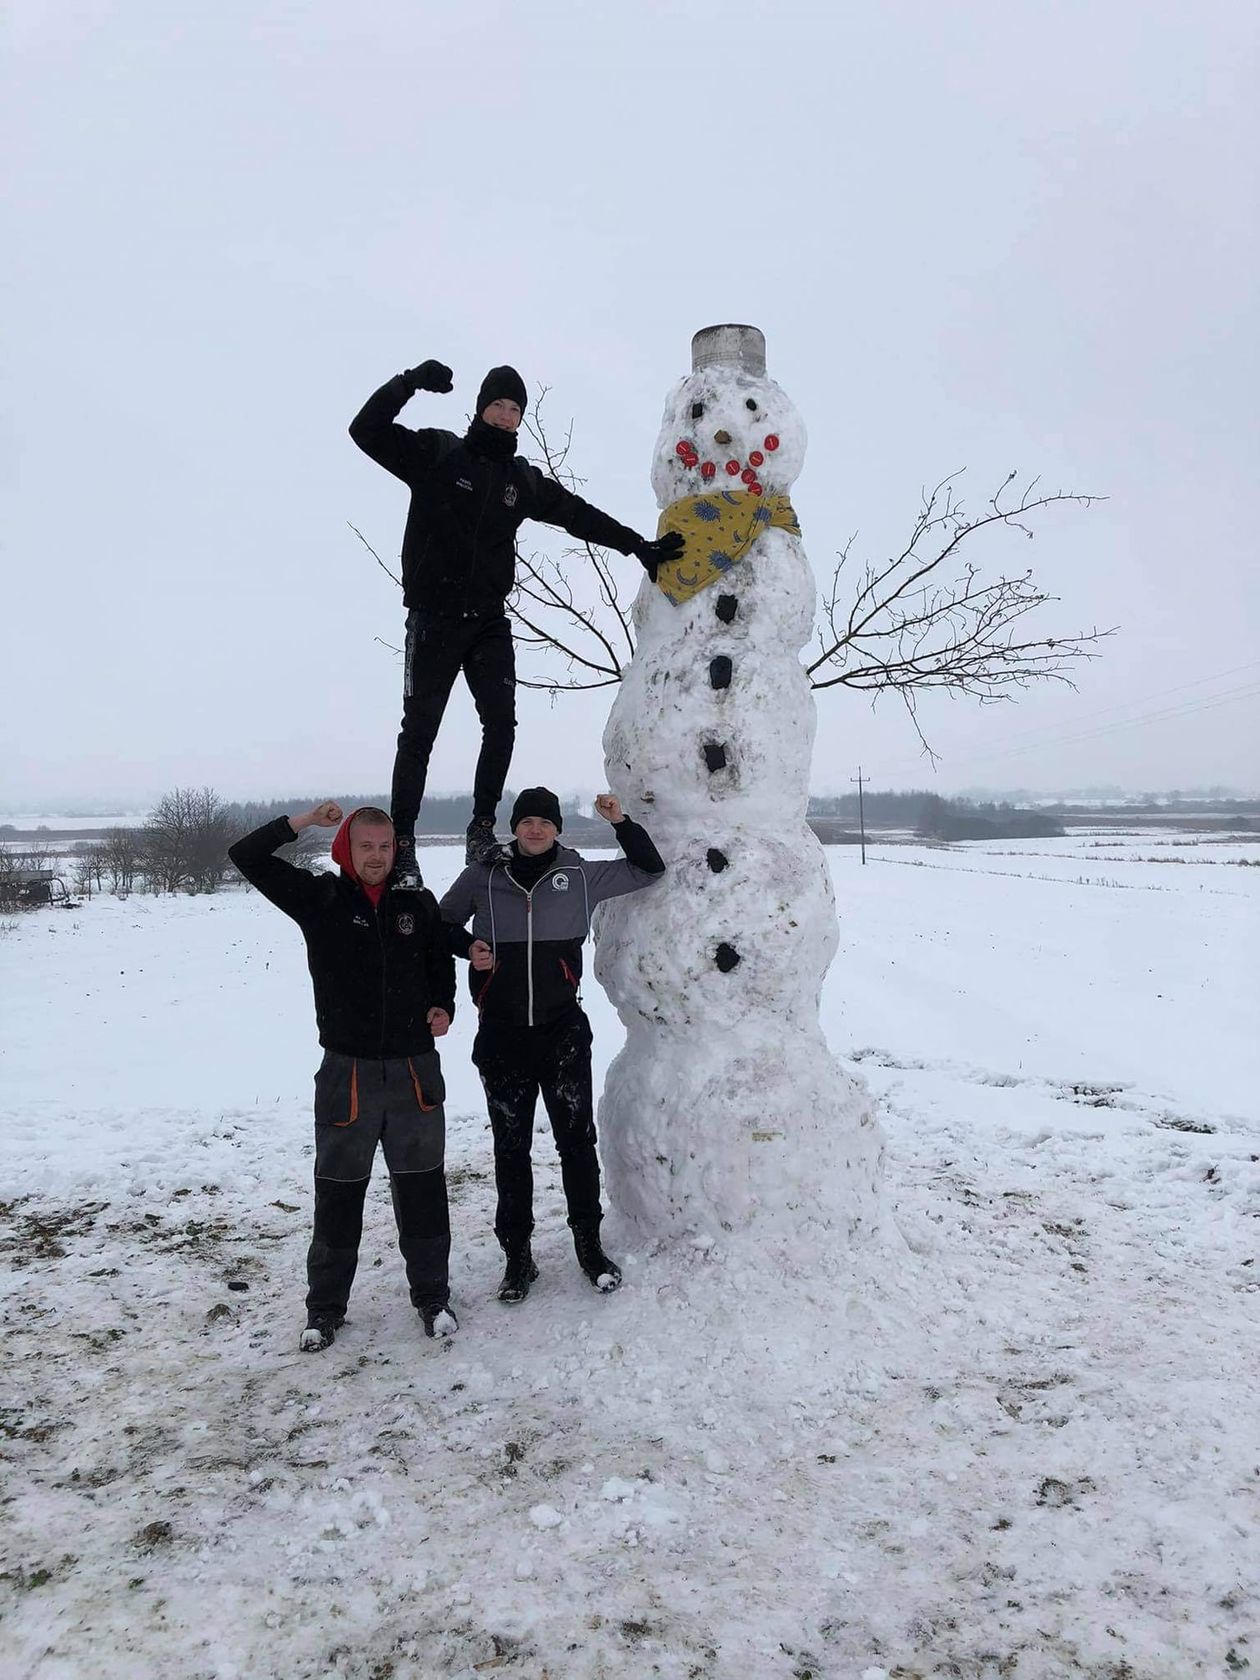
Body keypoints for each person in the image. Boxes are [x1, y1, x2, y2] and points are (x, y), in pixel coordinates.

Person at [348, 359, 685, 884]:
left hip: (487, 622)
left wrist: (636, 546)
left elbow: (577, 514)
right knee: (419, 733)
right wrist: (409, 382)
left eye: (515, 409)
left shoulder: (520, 480)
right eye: (498, 405)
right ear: (482, 406)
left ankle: (481, 829)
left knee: (501, 725)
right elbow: (364, 430)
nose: (506, 415)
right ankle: (406, 842)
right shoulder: (438, 453)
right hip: (433, 620)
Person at [228, 801, 458, 1351]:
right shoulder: (320, 899)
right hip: (346, 1075)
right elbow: (246, 855)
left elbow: (436, 962)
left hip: (413, 1071)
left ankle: (432, 1298)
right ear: (346, 849)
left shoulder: (416, 903)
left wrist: (444, 1005)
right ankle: (325, 1309)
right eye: (366, 846)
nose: (377, 857)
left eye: (385, 847)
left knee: (423, 1189)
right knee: (338, 1195)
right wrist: (301, 822)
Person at [439, 787, 664, 1303]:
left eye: (545, 821)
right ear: (513, 827)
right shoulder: (484, 876)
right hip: (501, 1035)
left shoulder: (581, 877)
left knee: (576, 1143)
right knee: (511, 1148)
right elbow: (441, 923)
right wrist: (467, 947)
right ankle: (518, 1257)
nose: (535, 829)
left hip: (562, 1032)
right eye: (527, 821)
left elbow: (649, 869)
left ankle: (589, 1244)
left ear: (558, 828)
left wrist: (620, 821)